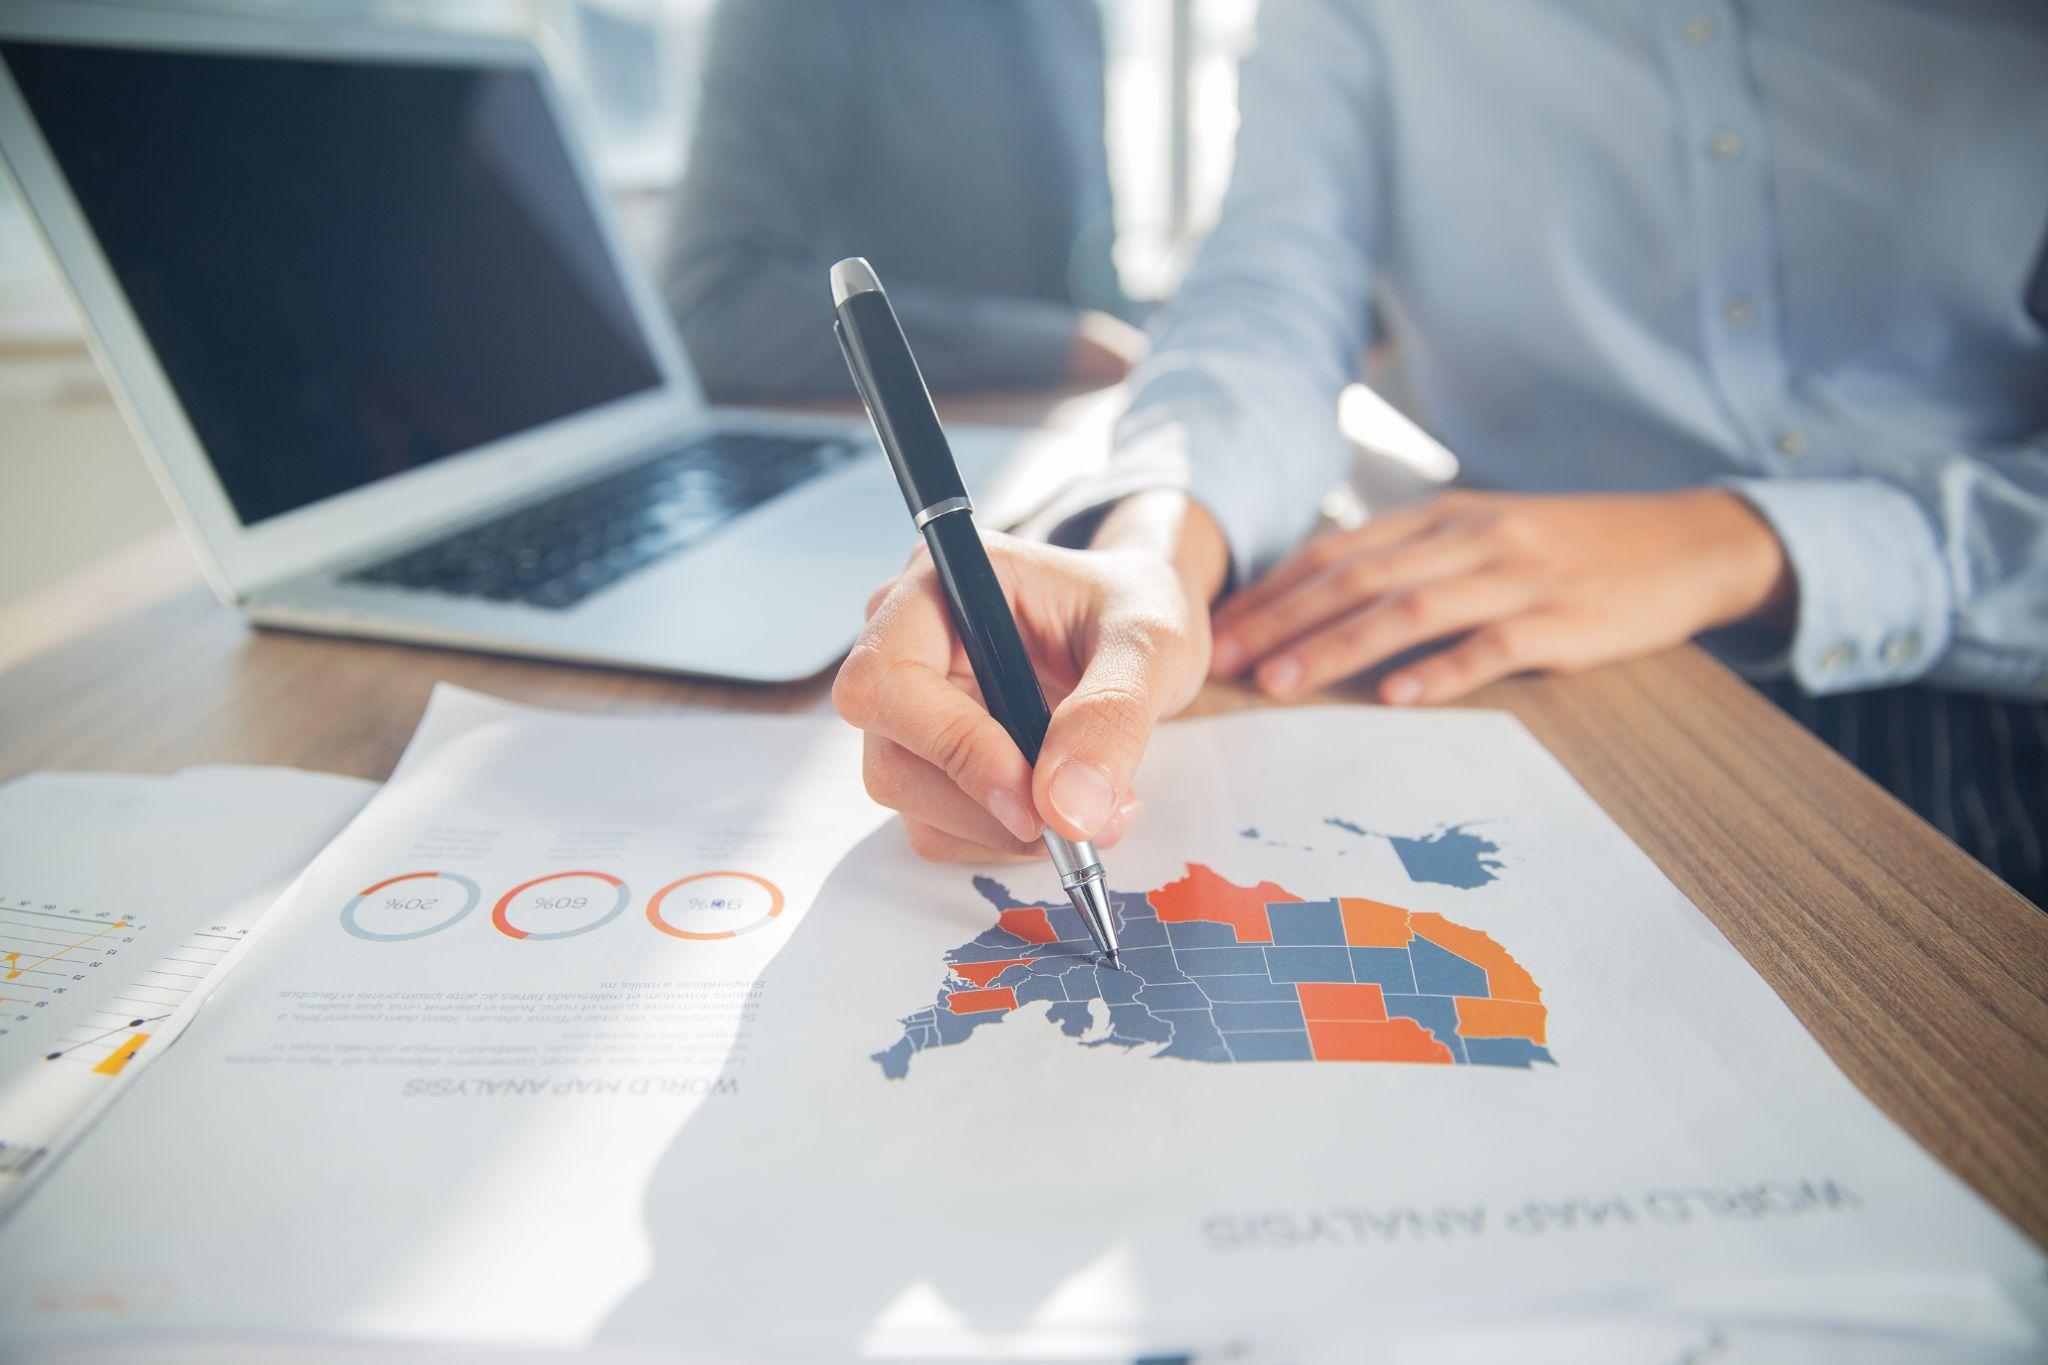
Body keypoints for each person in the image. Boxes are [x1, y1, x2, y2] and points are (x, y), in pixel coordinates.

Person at [830, 1, 2048, 903]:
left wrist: (1749, 543)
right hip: (1530, 684)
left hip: (1988, 700)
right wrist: (1155, 548)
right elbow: (1267, 307)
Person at [661, 0, 1143, 399]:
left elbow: (1096, 274)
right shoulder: (796, 15)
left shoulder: (1069, 14)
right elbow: (712, 307)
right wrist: (1055, 347)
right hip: (897, 454)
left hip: (1067, 439)